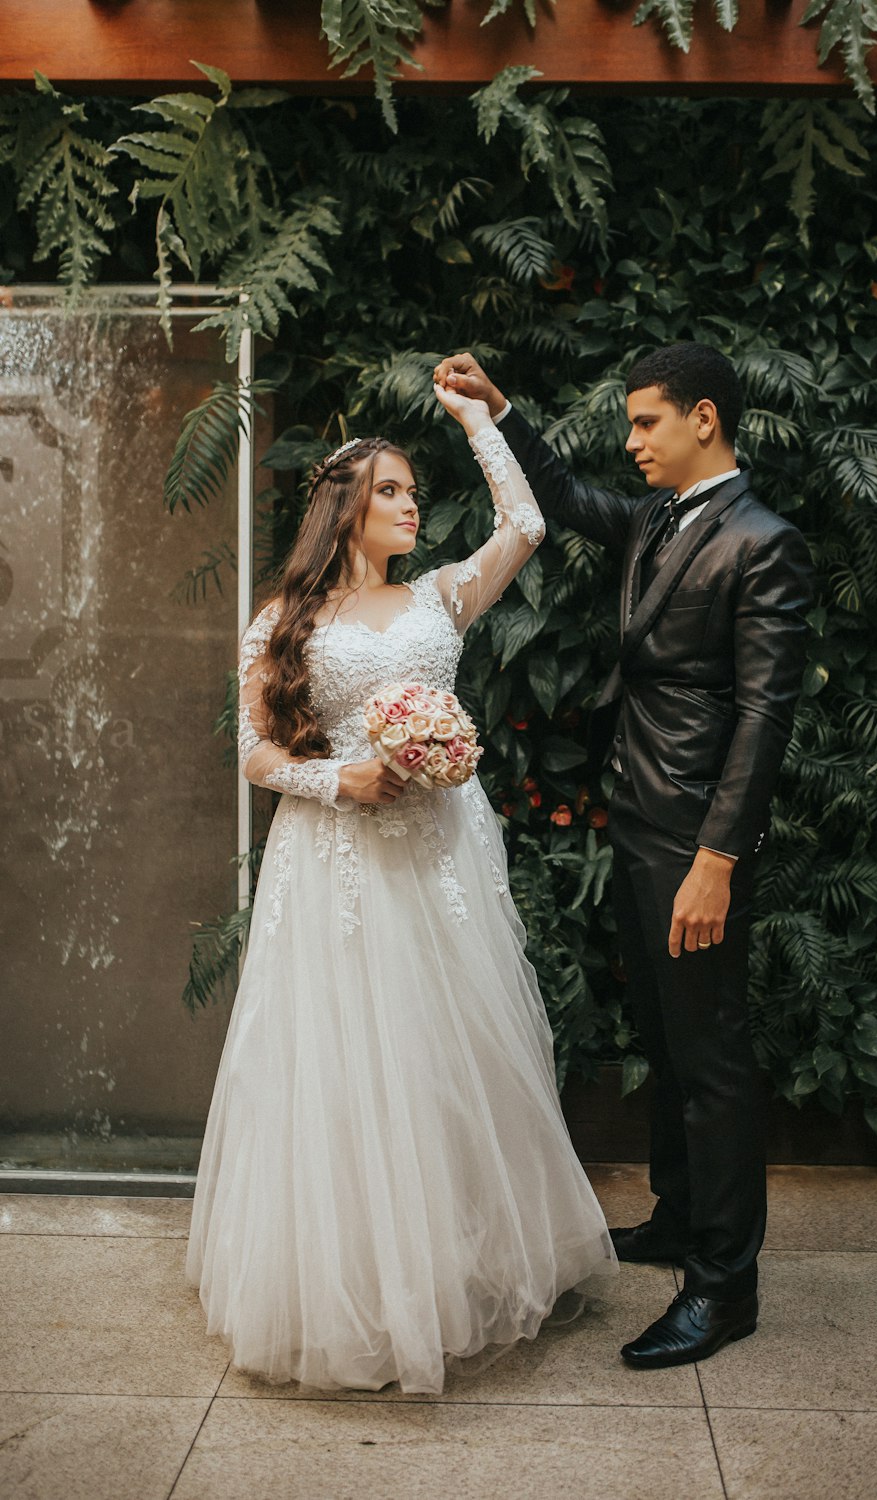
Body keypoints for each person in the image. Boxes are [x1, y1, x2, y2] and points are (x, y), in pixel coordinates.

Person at [186, 385, 615, 1395]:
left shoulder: (442, 597)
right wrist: (337, 779)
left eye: (415, 492)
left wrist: (480, 418)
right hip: (334, 856)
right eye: (393, 492)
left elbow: (527, 522)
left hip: (440, 855)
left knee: (448, 1049)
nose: (414, 508)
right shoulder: (282, 620)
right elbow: (251, 753)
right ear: (346, 508)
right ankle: (348, 1287)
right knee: (339, 1059)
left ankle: (461, 1266)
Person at [434, 344, 814, 1369]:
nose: (631, 441)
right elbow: (557, 493)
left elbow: (764, 716)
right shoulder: (654, 518)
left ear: (703, 418)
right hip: (638, 817)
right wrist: (499, 407)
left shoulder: (763, 544)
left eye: (646, 423)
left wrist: (717, 860)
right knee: (665, 1034)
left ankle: (724, 1289)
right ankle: (682, 1221)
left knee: (713, 1061)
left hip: (696, 840)